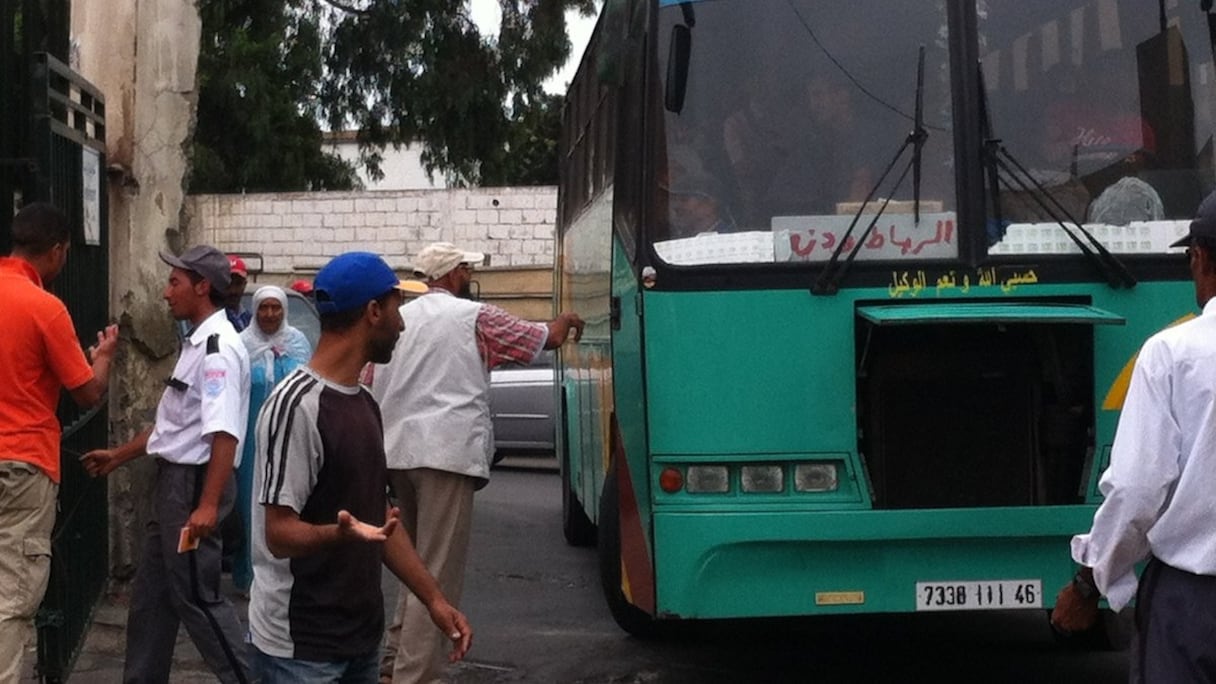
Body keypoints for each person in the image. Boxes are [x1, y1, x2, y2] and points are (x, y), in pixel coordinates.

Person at [248, 252, 471, 683]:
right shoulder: (296, 407)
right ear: (372, 312)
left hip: (361, 644)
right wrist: (340, 534)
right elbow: (278, 533)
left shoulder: (365, 402)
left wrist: (435, 602)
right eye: (395, 309)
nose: (401, 324)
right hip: (300, 651)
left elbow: (381, 522)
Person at [372, 242, 584, 684]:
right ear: (452, 275)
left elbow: (370, 380)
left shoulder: (398, 320)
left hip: (396, 453)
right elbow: (544, 339)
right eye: (465, 269)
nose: (468, 276)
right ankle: (415, 676)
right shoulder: (472, 316)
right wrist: (564, 321)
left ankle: (394, 664)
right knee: (437, 574)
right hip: (445, 453)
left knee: (413, 564)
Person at [1051, 190, 1216, 681]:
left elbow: (1138, 491)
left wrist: (1088, 584)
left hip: (1194, 608)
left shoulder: (1172, 354)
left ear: (1200, 258)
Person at [82, 244, 252, 684]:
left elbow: (224, 434)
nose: (165, 292)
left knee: (198, 597)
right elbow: (173, 430)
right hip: (175, 484)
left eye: (174, 282)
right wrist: (118, 456)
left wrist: (208, 505)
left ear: (202, 286)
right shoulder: (196, 344)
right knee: (151, 602)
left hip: (194, 488)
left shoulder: (217, 350)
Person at [0, 203, 118, 684]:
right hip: (23, 464)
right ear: (56, 250)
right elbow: (87, 391)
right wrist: (104, 357)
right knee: (12, 595)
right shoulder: (44, 307)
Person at [230, 285, 312, 593]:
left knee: (285, 500)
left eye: (275, 308)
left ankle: (284, 574)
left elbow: (305, 384)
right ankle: (249, 576)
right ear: (255, 311)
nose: (269, 314)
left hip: (288, 433)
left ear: (284, 311)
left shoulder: (298, 343)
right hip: (251, 436)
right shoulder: (241, 345)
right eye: (263, 308)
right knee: (250, 502)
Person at [225, 254, 252, 331]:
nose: (233, 290)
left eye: (238, 284)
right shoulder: (212, 318)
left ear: (245, 284)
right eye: (228, 284)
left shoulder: (250, 319)